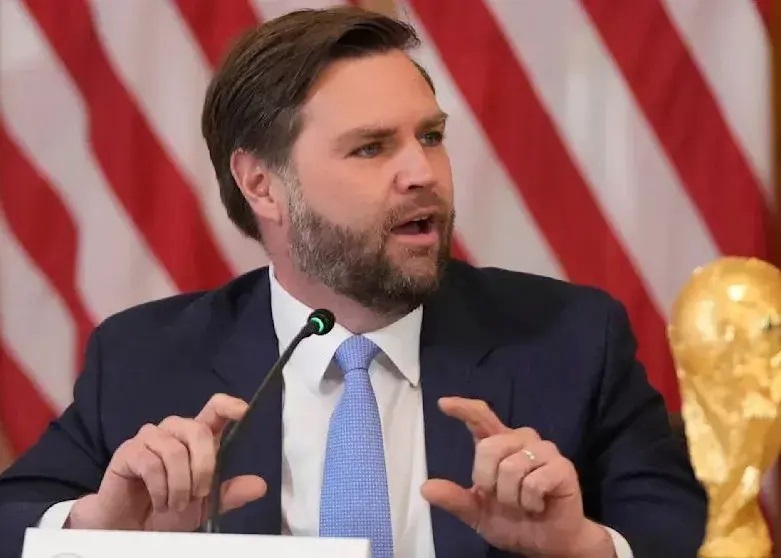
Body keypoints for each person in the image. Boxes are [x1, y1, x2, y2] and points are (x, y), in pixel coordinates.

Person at [0, 6, 706, 558]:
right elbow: (13, 521)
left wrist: (582, 547)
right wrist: (97, 527)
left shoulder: (571, 340)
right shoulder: (147, 357)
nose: (422, 173)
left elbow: (689, 532)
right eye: (371, 148)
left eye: (430, 136)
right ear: (262, 185)